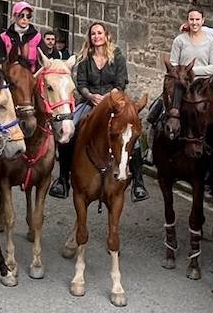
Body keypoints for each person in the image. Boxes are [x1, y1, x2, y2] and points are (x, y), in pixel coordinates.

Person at [54, 22, 145, 200]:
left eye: (99, 33)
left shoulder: (117, 56)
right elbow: (81, 84)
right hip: (90, 102)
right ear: (90, 37)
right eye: (93, 34)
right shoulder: (84, 59)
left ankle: (138, 182)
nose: (96, 36)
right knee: (69, 131)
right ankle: (63, 179)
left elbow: (121, 82)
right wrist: (92, 96)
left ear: (106, 35)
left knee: (133, 134)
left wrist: (110, 98)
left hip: (115, 102)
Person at [148, 6, 213, 129]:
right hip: (182, 82)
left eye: (197, 19)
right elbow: (173, 63)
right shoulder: (180, 40)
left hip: (202, 82)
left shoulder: (210, 42)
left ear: (203, 21)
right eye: (192, 19)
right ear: (187, 20)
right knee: (164, 103)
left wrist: (193, 71)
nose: (194, 22)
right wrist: (183, 73)